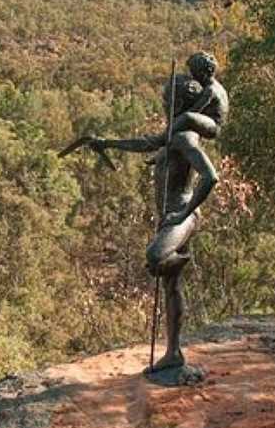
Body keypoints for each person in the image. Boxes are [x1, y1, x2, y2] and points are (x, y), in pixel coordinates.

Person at [88, 60, 223, 371]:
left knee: (155, 257)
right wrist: (105, 143)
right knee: (172, 287)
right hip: (169, 215)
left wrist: (184, 214)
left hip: (181, 215)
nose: (164, 105)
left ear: (177, 103)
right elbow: (143, 143)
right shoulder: (170, 137)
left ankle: (173, 257)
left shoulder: (184, 137)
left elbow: (210, 177)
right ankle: (173, 353)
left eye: (167, 101)